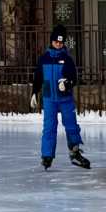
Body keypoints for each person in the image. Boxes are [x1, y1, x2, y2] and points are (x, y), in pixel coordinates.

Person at [34, 28, 89, 170]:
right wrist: (34, 92)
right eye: (55, 42)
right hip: (49, 99)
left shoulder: (67, 59)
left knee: (71, 126)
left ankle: (75, 152)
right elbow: (38, 77)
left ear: (63, 43)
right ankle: (46, 156)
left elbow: (73, 78)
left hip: (65, 99)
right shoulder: (44, 58)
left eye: (60, 42)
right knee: (49, 128)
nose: (58, 44)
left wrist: (67, 83)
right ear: (51, 41)